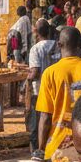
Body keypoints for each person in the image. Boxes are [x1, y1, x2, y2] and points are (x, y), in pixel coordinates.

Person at [35, 26, 81, 159]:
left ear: (59, 45)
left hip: (57, 151)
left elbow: (45, 117)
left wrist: (41, 150)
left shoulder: (50, 73)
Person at [25, 19, 59, 152]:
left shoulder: (36, 49)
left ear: (36, 32)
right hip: (57, 90)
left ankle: (38, 151)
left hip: (40, 91)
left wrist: (26, 82)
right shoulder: (58, 45)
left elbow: (35, 71)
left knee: (38, 123)